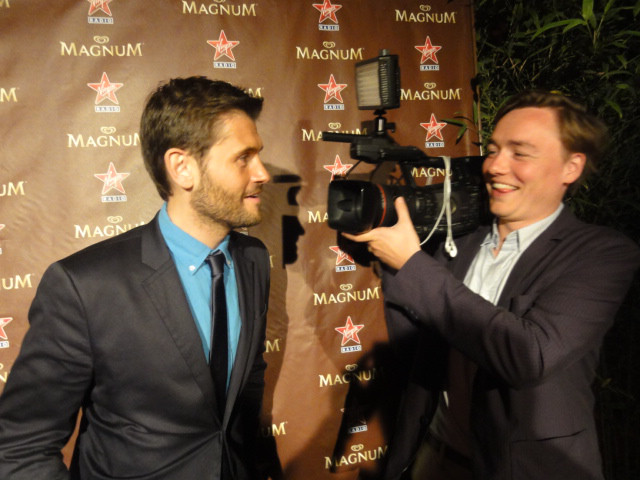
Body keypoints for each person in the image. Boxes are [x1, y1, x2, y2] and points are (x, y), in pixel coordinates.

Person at [342, 90, 640, 480]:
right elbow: (417, 336)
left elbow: (530, 356)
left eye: (520, 153)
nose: (495, 166)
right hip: (433, 454)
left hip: (528, 470)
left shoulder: (602, 253)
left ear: (571, 167)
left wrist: (412, 264)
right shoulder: (459, 241)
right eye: (494, 150)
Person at [0, 77, 271, 479]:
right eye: (243, 158)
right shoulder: (85, 285)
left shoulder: (253, 260)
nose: (262, 173)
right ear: (182, 167)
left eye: (258, 155)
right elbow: (22, 447)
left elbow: (244, 393)